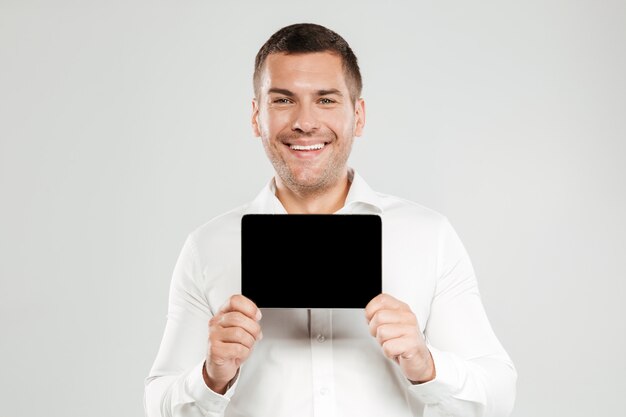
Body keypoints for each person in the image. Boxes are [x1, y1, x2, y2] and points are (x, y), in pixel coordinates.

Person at [144, 22, 517, 417]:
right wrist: (211, 376)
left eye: (325, 100)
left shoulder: (429, 236)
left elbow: (498, 398)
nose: (305, 122)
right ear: (257, 117)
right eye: (283, 100)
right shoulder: (208, 247)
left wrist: (426, 365)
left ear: (358, 115)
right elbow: (159, 406)